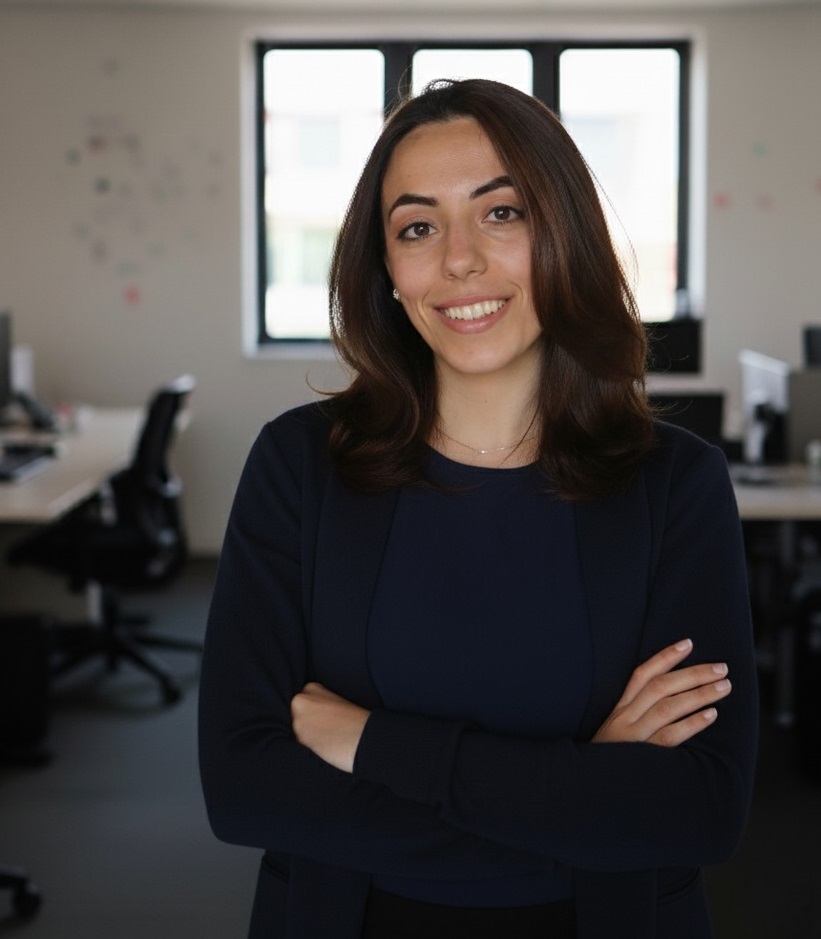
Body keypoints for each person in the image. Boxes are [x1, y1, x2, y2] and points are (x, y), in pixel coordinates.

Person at [198, 78, 758, 939]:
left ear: (563, 233)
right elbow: (245, 789)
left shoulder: (672, 483)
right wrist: (584, 789)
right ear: (386, 270)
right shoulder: (300, 465)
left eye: (501, 213)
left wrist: (374, 745)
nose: (458, 260)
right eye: (417, 228)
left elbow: (698, 810)